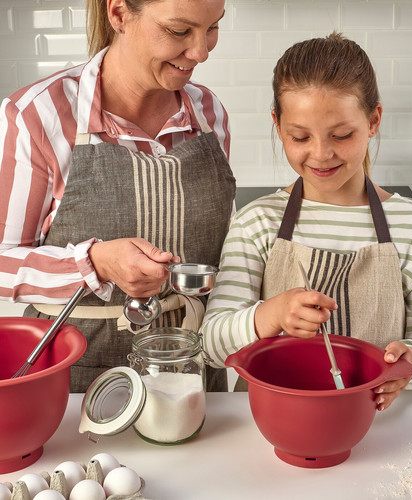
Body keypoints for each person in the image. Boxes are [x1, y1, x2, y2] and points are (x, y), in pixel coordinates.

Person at [200, 32, 412, 409]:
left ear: (374, 120)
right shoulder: (257, 223)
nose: (321, 154)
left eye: (342, 134)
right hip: (275, 424)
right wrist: (270, 314)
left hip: (382, 429)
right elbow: (209, 346)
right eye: (300, 136)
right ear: (277, 124)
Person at [0, 0, 236, 392]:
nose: (201, 52)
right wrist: (96, 262)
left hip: (192, 376)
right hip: (77, 383)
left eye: (212, 27)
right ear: (119, 14)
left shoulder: (209, 113)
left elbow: (224, 249)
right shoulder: (38, 116)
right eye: (180, 31)